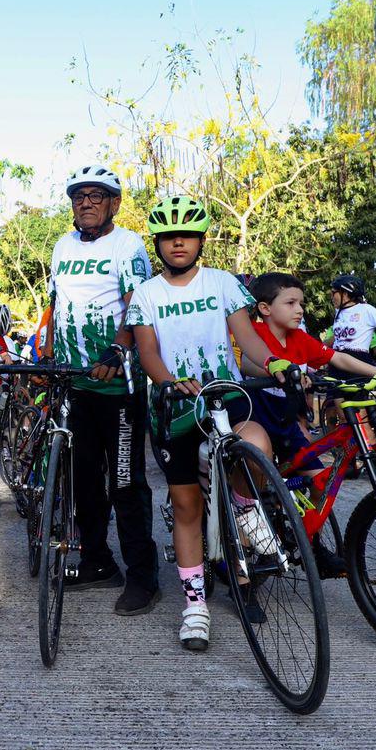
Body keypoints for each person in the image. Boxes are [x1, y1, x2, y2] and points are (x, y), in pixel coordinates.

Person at [126, 196, 281, 652]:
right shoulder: (147, 294)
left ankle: (245, 507)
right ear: (158, 243)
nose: (178, 243)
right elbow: (147, 351)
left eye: (187, 235)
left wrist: (277, 364)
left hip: (223, 399)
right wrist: (169, 381)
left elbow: (249, 339)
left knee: (255, 445)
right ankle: (195, 607)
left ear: (200, 241)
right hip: (174, 407)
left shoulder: (223, 283)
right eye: (170, 236)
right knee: (187, 506)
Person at [45, 163, 160, 615]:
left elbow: (137, 304)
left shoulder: (128, 244)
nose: (87, 203)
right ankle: (97, 561)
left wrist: (117, 350)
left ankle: (143, 576)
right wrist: (47, 351)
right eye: (79, 196)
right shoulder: (61, 245)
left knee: (126, 483)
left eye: (97, 195)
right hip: (73, 381)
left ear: (114, 202)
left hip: (119, 383)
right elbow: (57, 301)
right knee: (83, 480)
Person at [247, 271, 376, 578]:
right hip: (255, 418)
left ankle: (309, 543)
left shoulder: (299, 338)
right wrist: (281, 369)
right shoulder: (252, 335)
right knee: (253, 490)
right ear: (265, 309)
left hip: (286, 422)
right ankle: (250, 549)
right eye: (290, 303)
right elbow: (244, 361)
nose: (300, 309)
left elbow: (337, 357)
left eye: (300, 303)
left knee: (321, 481)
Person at [328, 274, 376, 361]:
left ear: (345, 294)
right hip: (338, 359)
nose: (331, 297)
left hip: (358, 359)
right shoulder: (338, 313)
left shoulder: (366, 309)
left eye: (333, 293)